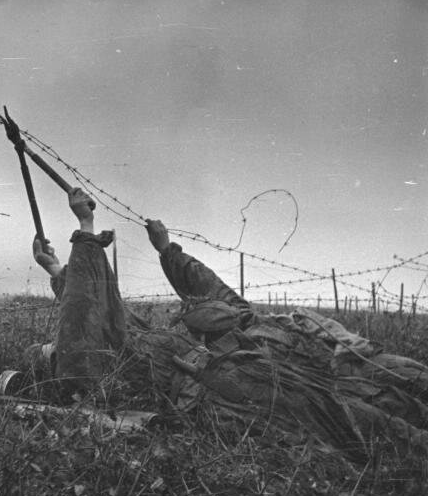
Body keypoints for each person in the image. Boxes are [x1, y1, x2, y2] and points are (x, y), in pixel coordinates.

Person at [27, 188, 428, 459]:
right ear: (54, 367)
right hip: (242, 390)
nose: (59, 345)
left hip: (270, 366)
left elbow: (90, 308)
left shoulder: (122, 341)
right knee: (366, 421)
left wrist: (62, 268)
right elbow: (82, 318)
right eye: (53, 352)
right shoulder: (91, 368)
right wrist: (84, 229)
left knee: (389, 397)